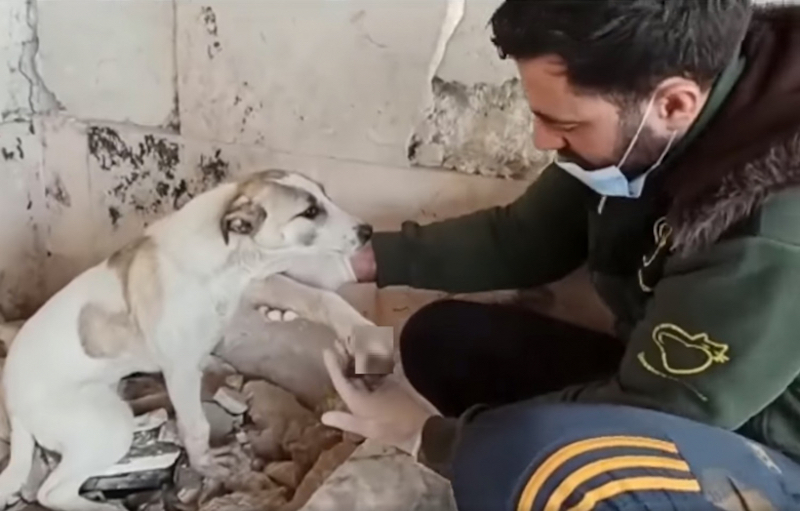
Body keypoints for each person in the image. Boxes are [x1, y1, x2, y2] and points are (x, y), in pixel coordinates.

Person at [312, 1, 800, 509]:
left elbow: (660, 411)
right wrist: (358, 262)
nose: (542, 140)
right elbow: (526, 237)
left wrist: (434, 440)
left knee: (546, 464)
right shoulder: (666, 109)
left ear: (674, 104)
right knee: (444, 342)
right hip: (672, 381)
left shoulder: (772, 229)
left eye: (564, 123)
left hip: (767, 451)